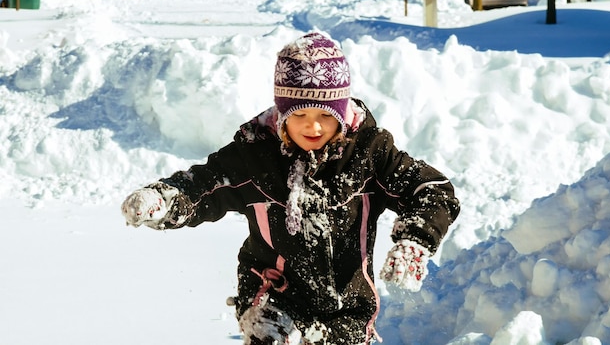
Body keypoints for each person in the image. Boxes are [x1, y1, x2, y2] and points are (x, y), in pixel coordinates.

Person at [121, 32, 460, 345]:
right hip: (271, 293)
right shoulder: (256, 154)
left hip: (347, 306)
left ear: (342, 112)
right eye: (300, 114)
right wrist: (166, 198)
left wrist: (415, 240)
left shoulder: (368, 154)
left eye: (326, 115)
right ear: (282, 113)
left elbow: (432, 191)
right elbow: (207, 183)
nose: (313, 126)